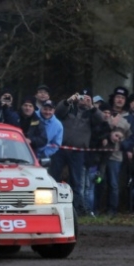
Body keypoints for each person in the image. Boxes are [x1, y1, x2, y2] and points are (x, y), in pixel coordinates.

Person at [49, 88, 103, 216]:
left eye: (86, 98)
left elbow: (101, 120)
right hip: (61, 149)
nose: (83, 100)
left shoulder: (91, 113)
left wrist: (92, 107)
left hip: (78, 152)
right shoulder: (69, 108)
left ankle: (76, 210)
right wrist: (68, 101)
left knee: (76, 182)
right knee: (53, 178)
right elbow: (57, 113)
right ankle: (51, 205)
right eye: (81, 97)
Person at [105, 86, 134, 216]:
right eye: (118, 97)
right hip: (100, 153)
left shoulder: (129, 118)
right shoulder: (105, 112)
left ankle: (112, 210)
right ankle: (94, 208)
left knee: (114, 184)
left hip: (117, 155)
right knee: (98, 182)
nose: (119, 100)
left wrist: (124, 144)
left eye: (122, 98)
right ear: (113, 98)